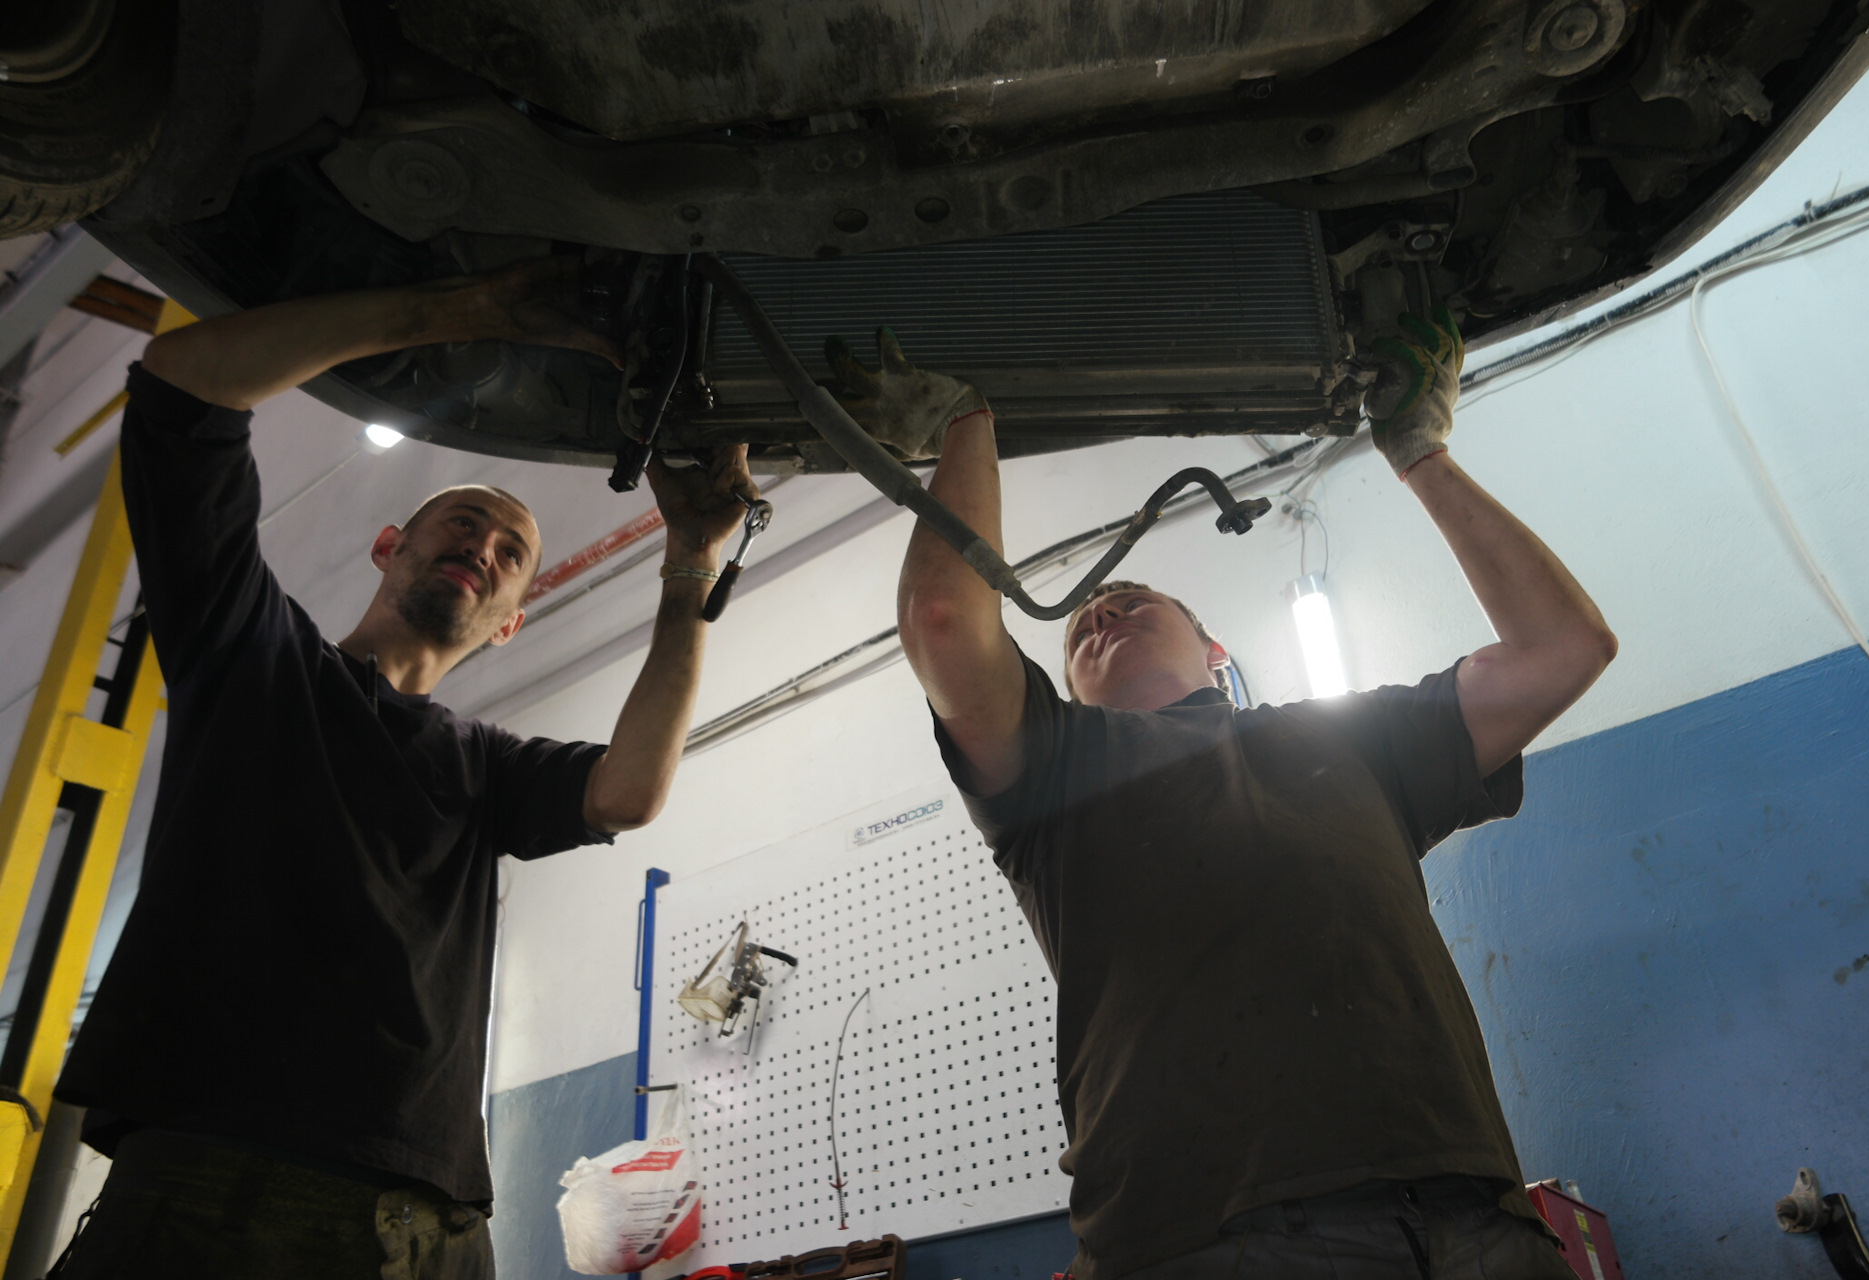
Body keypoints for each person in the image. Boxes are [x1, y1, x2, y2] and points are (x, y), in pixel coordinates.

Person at [854, 309, 1617, 1279]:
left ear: (1215, 649)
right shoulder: (1056, 771)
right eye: (1081, 626)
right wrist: (967, 423)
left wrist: (1419, 451)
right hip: (1207, 1240)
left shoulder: (1351, 736)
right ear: (1070, 688)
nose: (1102, 609)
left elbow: (1564, 648)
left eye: (1134, 600)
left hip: (1478, 1226)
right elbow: (941, 616)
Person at [51, 260, 754, 1279]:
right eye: (463, 521)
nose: (485, 545)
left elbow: (629, 790)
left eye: (512, 551)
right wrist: (477, 308)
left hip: (432, 1220)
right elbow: (184, 377)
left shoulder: (485, 766)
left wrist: (689, 560)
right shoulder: (256, 657)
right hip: (221, 1178)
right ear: (390, 545)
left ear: (510, 623)